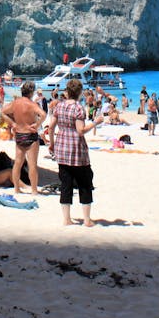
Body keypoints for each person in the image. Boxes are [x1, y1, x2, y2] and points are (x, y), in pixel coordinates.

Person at [49, 79, 103, 227]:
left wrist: (52, 144)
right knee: (85, 183)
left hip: (61, 147)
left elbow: (52, 127)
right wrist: (96, 122)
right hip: (76, 150)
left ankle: (66, 219)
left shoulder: (59, 106)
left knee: (65, 184)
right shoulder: (78, 108)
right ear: (79, 92)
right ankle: (86, 220)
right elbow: (81, 131)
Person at [2, 81, 46, 194]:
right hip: (30, 135)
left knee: (18, 163)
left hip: (20, 134)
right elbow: (44, 114)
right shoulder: (32, 104)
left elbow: (3, 112)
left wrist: (13, 124)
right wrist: (37, 124)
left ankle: (16, 188)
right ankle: (34, 190)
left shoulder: (15, 103)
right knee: (32, 164)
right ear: (31, 92)